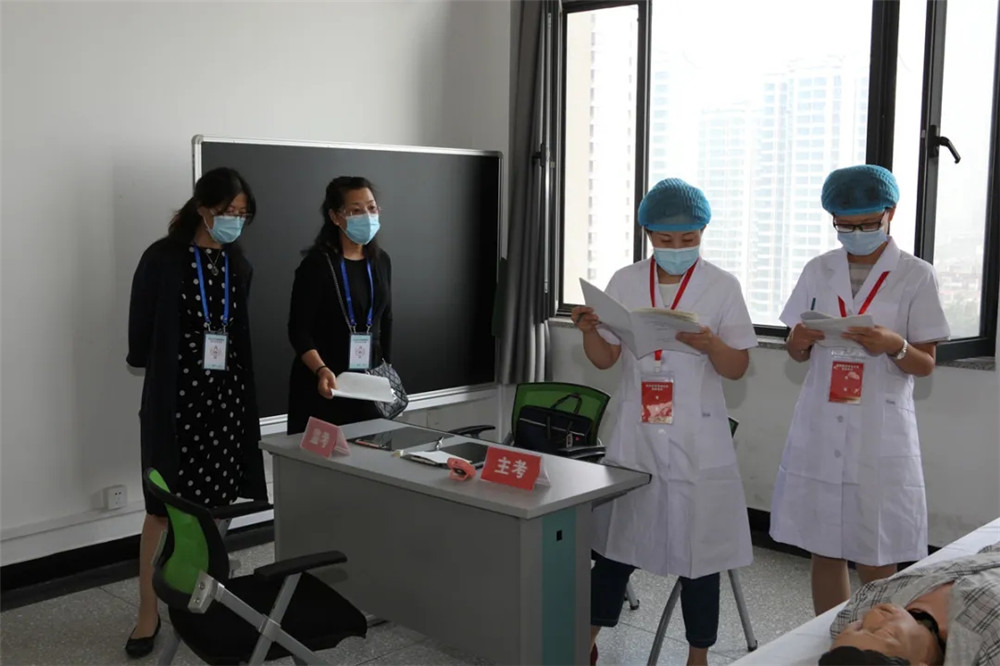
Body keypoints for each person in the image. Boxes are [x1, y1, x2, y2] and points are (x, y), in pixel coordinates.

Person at [572, 178, 757, 666]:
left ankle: (698, 656)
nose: (677, 248)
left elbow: (737, 367)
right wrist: (589, 331)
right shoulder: (626, 280)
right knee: (615, 549)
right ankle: (582, 643)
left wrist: (711, 344)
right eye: (665, 238)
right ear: (648, 233)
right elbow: (606, 358)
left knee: (701, 558)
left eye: (688, 238)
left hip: (698, 440)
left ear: (703, 232)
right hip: (637, 437)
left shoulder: (722, 285)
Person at [770, 164, 951, 616]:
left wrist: (894, 345)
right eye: (845, 225)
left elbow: (925, 363)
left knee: (877, 549)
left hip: (878, 428)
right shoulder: (818, 269)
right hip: (822, 420)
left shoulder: (916, 274)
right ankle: (830, 641)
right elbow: (795, 351)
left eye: (867, 224)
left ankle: (875, 644)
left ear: (891, 212)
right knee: (824, 546)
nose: (855, 234)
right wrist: (799, 341)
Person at [125, 167, 267, 658]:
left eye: (243, 214)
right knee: (162, 511)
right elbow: (141, 330)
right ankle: (147, 611)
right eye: (229, 211)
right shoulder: (162, 258)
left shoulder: (239, 265)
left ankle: (201, 600)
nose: (235, 221)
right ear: (203, 208)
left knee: (214, 508)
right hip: (176, 403)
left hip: (224, 405)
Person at [286, 176, 392, 434]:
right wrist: (321, 370)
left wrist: (385, 372)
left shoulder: (380, 261)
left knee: (370, 453)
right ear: (335, 217)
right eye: (356, 210)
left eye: (371, 208)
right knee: (325, 457)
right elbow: (299, 331)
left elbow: (386, 320)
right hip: (325, 386)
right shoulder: (317, 265)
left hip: (368, 386)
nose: (367, 216)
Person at [819, 542, 1000, 666]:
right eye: (885, 633)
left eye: (860, 627)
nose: (875, 615)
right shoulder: (988, 644)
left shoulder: (857, 612)